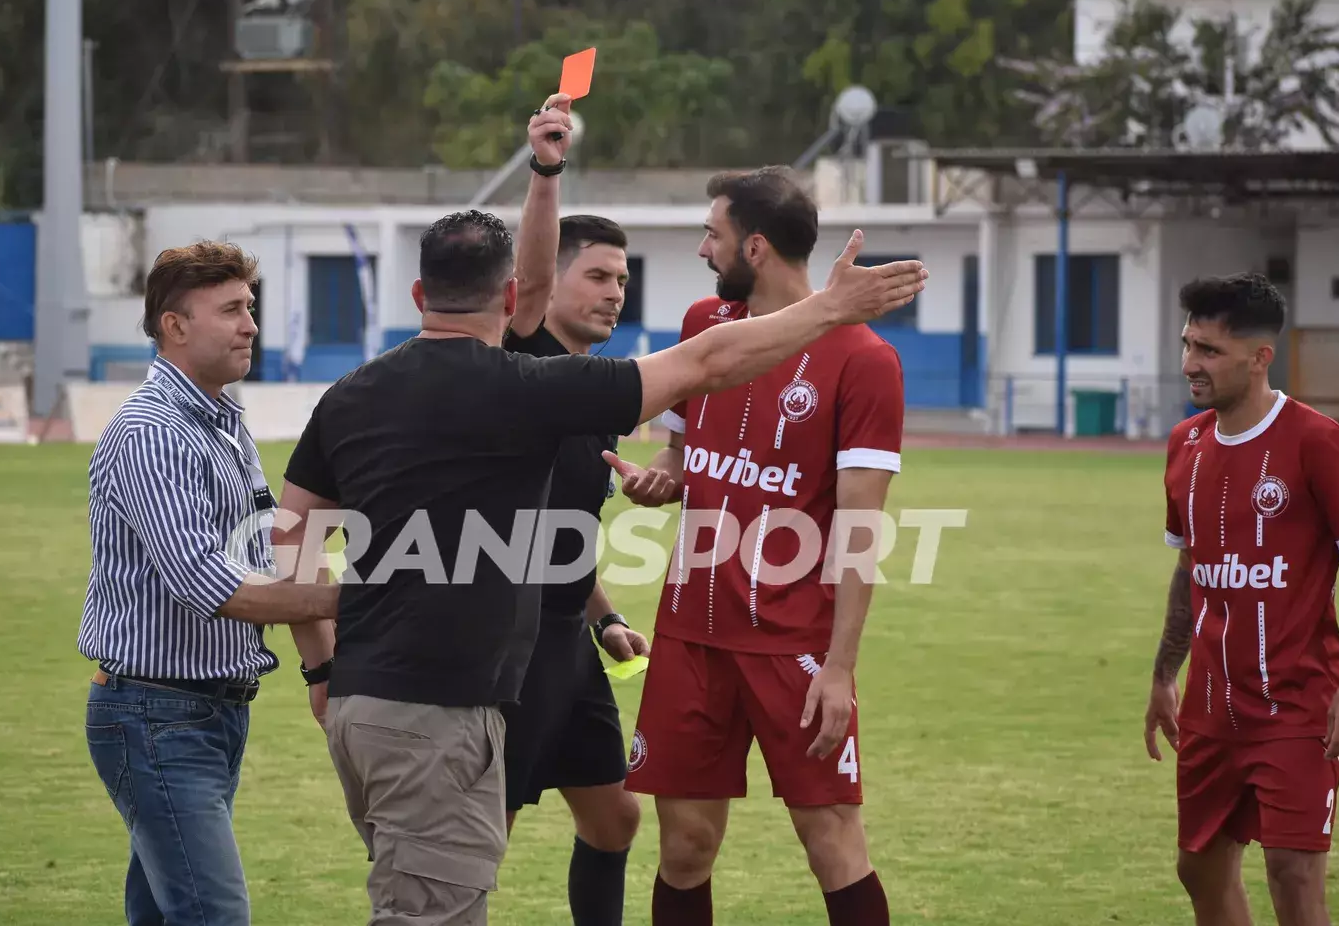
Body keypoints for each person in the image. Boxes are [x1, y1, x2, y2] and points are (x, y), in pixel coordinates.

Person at [273, 195, 926, 925]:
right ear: (515, 297)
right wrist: (833, 307)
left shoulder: (349, 394)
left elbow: (290, 537)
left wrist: (322, 666)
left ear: (420, 292)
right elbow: (707, 361)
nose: (616, 291)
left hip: (367, 699)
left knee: (578, 832)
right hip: (449, 702)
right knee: (436, 902)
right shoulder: (531, 388)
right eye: (598, 276)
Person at [608, 166, 905, 926]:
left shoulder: (865, 359)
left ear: (757, 247)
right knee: (685, 847)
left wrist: (839, 668)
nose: (702, 249)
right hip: (690, 636)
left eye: (713, 234)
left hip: (793, 647)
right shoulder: (703, 325)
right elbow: (681, 453)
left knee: (831, 840)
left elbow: (861, 528)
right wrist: (663, 478)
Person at [77, 241, 344, 926]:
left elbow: (272, 550)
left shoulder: (224, 423)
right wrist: (360, 600)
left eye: (249, 307)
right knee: (213, 914)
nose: (250, 325)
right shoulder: (153, 431)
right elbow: (210, 584)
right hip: (156, 714)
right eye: (230, 310)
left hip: (208, 713)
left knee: (167, 914)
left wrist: (324, 667)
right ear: (174, 325)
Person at [1144, 272, 1339, 926]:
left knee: (1293, 875)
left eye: (1209, 350)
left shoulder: (1317, 442)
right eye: (1187, 344)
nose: (1189, 364)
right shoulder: (1185, 445)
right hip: (1210, 708)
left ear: (1260, 358)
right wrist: (1164, 674)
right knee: (1199, 868)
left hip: (1297, 705)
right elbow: (1191, 564)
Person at [499, 93, 649, 926]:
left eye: (622, 279)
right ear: (549, 281)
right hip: (502, 645)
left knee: (615, 818)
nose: (614, 292)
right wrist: (546, 168)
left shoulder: (597, 395)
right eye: (596, 275)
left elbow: (563, 539)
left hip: (567, 639)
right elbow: (524, 277)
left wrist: (606, 617)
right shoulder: (516, 362)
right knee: (482, 833)